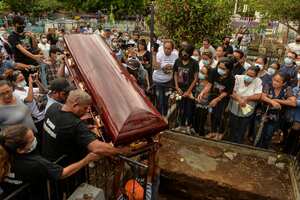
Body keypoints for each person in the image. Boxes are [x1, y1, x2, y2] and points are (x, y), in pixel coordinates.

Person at [0, 124, 100, 200]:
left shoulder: (4, 153)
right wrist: (87, 159)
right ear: (20, 150)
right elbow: (62, 173)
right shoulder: (35, 163)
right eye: (31, 140)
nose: (35, 139)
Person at [42, 89, 127, 164]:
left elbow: (61, 128)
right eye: (85, 108)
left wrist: (84, 129)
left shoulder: (53, 107)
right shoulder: (75, 124)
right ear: (75, 105)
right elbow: (97, 148)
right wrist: (120, 151)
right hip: (66, 167)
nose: (86, 112)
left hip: (48, 159)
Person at [198, 57, 235, 140]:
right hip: (212, 95)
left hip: (223, 99)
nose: (220, 69)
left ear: (229, 69)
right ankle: (213, 131)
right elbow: (210, 84)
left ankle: (220, 133)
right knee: (212, 114)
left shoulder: (231, 79)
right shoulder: (214, 71)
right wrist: (203, 92)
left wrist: (217, 99)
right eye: (219, 67)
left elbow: (227, 92)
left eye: (223, 68)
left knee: (220, 116)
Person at [257, 73, 296, 148]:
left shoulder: (287, 89)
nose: (275, 82)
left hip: (275, 117)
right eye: (274, 80)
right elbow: (262, 97)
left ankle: (263, 150)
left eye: (278, 81)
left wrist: (277, 100)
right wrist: (272, 102)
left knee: (268, 135)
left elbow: (293, 102)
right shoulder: (268, 85)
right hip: (262, 113)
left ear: (283, 83)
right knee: (258, 133)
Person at [228, 66, 262, 144]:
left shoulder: (258, 81)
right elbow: (231, 91)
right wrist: (239, 99)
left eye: (251, 76)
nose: (248, 77)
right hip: (235, 108)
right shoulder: (238, 78)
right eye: (247, 74)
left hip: (247, 109)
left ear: (256, 76)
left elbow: (258, 95)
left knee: (242, 128)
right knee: (233, 127)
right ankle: (230, 142)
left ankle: (238, 143)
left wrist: (246, 98)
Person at [173, 44, 198, 133]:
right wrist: (176, 87)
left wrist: (189, 91)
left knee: (189, 109)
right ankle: (181, 125)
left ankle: (188, 126)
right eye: (182, 53)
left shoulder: (194, 63)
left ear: (190, 54)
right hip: (180, 89)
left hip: (190, 90)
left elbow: (195, 78)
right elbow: (175, 73)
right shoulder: (177, 61)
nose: (184, 55)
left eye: (186, 54)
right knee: (180, 107)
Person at [152, 40, 178, 117]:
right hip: (158, 80)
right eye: (165, 48)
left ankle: (166, 117)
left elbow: (175, 68)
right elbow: (155, 67)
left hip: (168, 81)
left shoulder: (175, 55)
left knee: (167, 100)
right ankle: (159, 117)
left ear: (172, 49)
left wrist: (167, 67)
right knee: (160, 100)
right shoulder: (159, 54)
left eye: (169, 48)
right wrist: (154, 55)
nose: (166, 50)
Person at [284, 68, 300, 155]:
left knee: (295, 137)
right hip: (291, 115)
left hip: (298, 118)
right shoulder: (295, 84)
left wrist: (294, 101)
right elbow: (289, 95)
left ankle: (291, 155)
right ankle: (285, 153)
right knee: (290, 136)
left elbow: (293, 100)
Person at [193, 65, 210, 135]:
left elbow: (205, 98)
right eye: (201, 71)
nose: (201, 73)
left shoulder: (209, 85)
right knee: (196, 121)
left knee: (201, 123)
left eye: (203, 72)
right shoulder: (199, 81)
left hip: (203, 107)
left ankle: (200, 135)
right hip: (197, 105)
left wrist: (193, 98)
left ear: (207, 75)